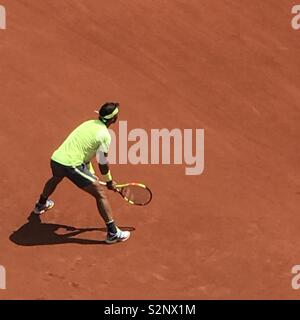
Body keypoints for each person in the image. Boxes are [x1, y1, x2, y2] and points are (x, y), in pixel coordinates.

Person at [33, 102, 130, 244]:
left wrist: (91, 173)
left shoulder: (89, 123)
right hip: (71, 165)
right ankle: (112, 233)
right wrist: (109, 181)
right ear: (114, 119)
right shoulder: (104, 135)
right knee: (100, 193)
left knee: (56, 177)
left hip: (57, 159)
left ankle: (41, 204)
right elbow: (102, 163)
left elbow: (85, 153)